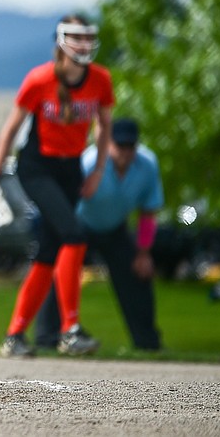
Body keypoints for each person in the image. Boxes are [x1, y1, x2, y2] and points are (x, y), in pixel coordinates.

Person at [0, 13, 114, 358]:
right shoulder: (40, 79)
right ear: (60, 40)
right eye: (76, 36)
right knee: (74, 235)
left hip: (71, 169)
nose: (84, 44)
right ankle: (70, 330)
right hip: (37, 167)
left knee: (47, 252)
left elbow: (104, 127)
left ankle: (14, 336)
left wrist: (98, 170)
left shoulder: (100, 79)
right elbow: (12, 128)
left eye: (88, 37)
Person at [33, 118, 164, 351]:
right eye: (119, 145)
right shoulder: (89, 162)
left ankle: (147, 342)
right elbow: (64, 201)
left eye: (129, 146)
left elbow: (148, 211)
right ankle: (48, 337)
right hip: (80, 225)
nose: (124, 152)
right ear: (108, 143)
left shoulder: (147, 165)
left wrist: (143, 253)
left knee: (138, 275)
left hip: (115, 228)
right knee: (62, 272)